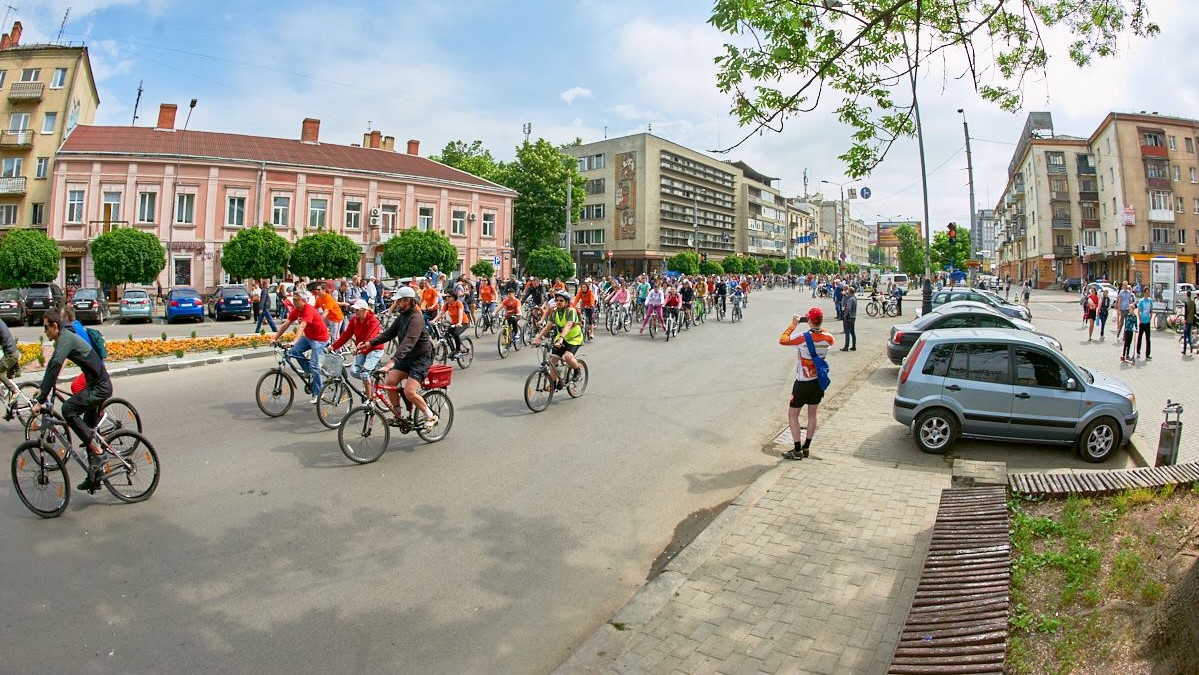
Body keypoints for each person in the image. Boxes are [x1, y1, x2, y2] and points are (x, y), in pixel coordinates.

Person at [33, 309, 113, 492]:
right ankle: (94, 478)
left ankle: (99, 453)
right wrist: (42, 388)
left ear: (54, 326)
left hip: (99, 387)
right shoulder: (63, 338)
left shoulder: (66, 338)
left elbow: (54, 366)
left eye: (46, 328)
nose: (44, 332)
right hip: (95, 385)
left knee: (68, 409)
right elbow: (52, 365)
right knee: (87, 433)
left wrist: (40, 400)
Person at [362, 286, 437, 428]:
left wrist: (392, 361)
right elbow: (389, 333)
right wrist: (369, 344)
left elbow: (409, 341)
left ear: (407, 301)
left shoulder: (416, 318)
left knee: (409, 392)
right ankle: (398, 415)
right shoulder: (402, 317)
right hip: (407, 357)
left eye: (398, 302)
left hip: (421, 358)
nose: (396, 304)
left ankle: (430, 415)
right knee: (390, 382)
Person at [778, 307, 835, 460]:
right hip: (818, 382)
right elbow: (824, 335)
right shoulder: (829, 338)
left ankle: (797, 450)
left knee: (793, 414)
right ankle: (806, 447)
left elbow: (783, 340)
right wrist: (816, 327)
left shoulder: (803, 337)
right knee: (812, 414)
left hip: (803, 382)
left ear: (809, 320)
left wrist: (793, 324)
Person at [271, 290, 329, 404]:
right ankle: (308, 371)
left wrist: (294, 341)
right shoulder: (296, 310)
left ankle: (318, 393)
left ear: (303, 301)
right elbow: (286, 324)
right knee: (295, 351)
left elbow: (302, 326)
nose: (294, 302)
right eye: (293, 300)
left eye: (297, 300)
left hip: (320, 339)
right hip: (309, 337)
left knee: (314, 365)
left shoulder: (308, 309)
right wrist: (275, 338)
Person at [330, 299, 383, 398]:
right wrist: (333, 346)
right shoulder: (354, 320)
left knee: (364, 373)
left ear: (364, 310)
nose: (356, 312)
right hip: (361, 349)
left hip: (374, 349)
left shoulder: (372, 320)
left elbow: (370, 338)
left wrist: (360, 348)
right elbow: (346, 335)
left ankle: (369, 400)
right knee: (354, 372)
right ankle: (369, 380)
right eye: (355, 310)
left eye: (358, 310)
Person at [531, 290, 584, 389]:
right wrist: (537, 338)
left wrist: (560, 339)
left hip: (574, 338)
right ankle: (554, 383)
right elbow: (548, 326)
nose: (558, 302)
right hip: (561, 337)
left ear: (567, 302)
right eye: (557, 300)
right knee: (552, 361)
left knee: (568, 357)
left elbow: (568, 325)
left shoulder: (571, 311)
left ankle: (577, 370)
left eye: (561, 300)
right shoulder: (554, 311)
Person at [436, 289, 471, 357]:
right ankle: (453, 351)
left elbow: (460, 313)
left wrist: (459, 322)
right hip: (454, 323)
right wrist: (434, 320)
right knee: (446, 335)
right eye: (446, 296)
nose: (447, 298)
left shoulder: (458, 303)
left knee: (456, 334)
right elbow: (441, 313)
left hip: (463, 322)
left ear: (453, 297)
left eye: (449, 296)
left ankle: (458, 351)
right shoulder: (447, 304)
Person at [0, 318, 20, 405]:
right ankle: (11, 412)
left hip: (10, 355)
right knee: (9, 379)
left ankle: (15, 392)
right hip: (13, 352)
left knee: (0, 372)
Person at [1135, 286, 1153, 361]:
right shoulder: (1141, 301)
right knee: (1140, 337)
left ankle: (1147, 354)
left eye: (1148, 292)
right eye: (1146, 292)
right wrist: (1140, 319)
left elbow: (1151, 310)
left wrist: (1150, 317)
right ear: (1144, 292)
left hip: (1147, 322)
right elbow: (1138, 311)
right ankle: (1138, 352)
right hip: (1142, 322)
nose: (1148, 294)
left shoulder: (1150, 300)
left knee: (1148, 338)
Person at [1183, 289, 1196, 355]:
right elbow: (1195, 312)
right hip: (1191, 321)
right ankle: (1191, 347)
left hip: (1187, 321)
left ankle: (1184, 350)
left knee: (1185, 335)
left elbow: (1185, 313)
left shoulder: (1186, 302)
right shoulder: (1193, 302)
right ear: (1190, 295)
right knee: (1189, 335)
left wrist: (1184, 322)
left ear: (1186, 295)